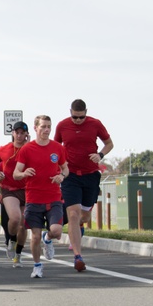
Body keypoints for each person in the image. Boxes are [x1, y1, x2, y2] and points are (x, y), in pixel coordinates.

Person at [53, 99, 114, 272]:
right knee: (73, 213)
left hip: (90, 175)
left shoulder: (95, 124)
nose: (78, 120)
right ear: (70, 112)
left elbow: (109, 143)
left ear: (86, 112)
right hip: (70, 175)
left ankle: (79, 228)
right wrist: (58, 168)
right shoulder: (62, 125)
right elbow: (56, 147)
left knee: (84, 216)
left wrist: (100, 154)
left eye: (81, 117)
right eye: (75, 117)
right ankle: (77, 256)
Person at [14, 115, 69, 279]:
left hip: (53, 197)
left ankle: (49, 238)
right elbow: (16, 173)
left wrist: (62, 176)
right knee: (35, 236)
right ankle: (37, 266)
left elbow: (65, 168)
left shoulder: (58, 148)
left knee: (56, 230)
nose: (46, 130)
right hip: (33, 198)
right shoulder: (27, 149)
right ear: (36, 128)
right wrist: (24, 173)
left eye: (49, 126)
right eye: (43, 126)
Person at [0, 122, 31, 266]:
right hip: (8, 188)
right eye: (16, 132)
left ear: (26, 134)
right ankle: (11, 240)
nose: (19, 136)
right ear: (12, 133)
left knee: (23, 224)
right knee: (15, 218)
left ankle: (18, 254)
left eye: (22, 133)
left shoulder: (30, 149)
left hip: (26, 189)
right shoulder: (4, 149)